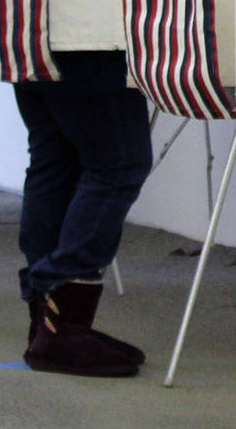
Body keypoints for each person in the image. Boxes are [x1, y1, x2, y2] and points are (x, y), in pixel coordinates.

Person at [12, 50, 153, 377]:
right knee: (118, 163)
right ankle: (63, 324)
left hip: (22, 23)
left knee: (56, 159)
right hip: (84, 30)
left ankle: (49, 325)